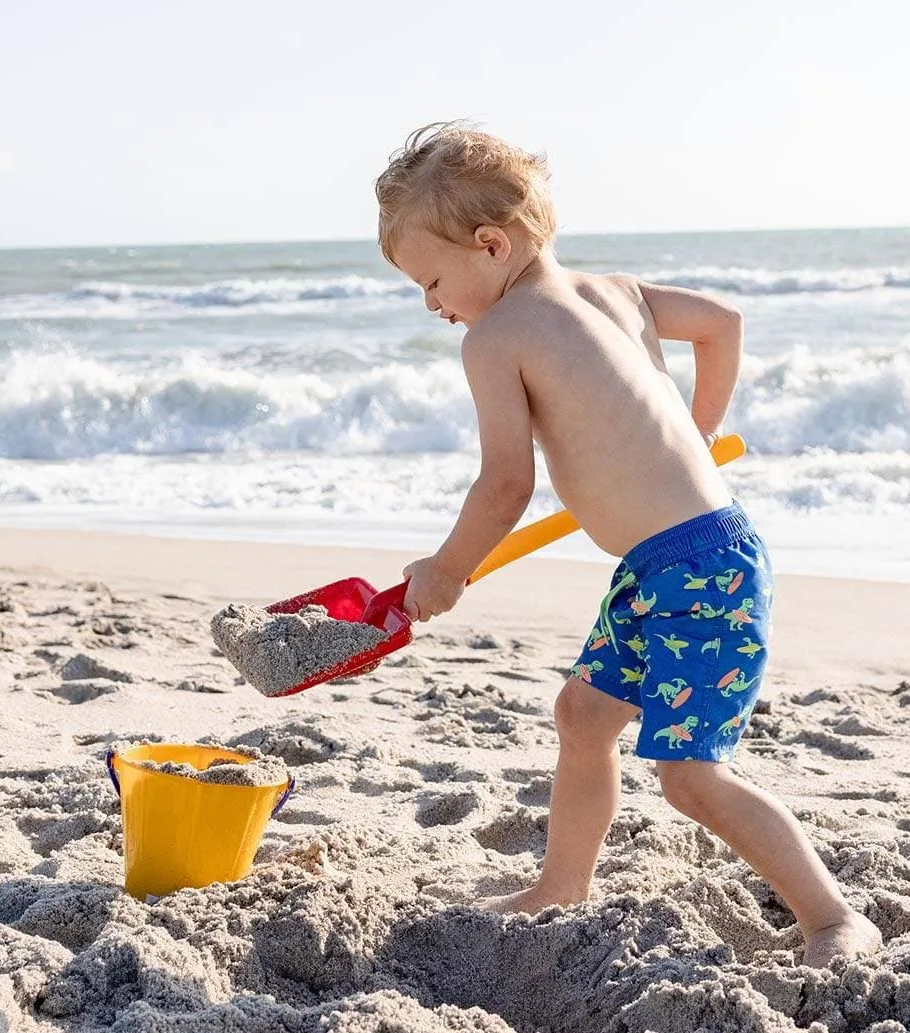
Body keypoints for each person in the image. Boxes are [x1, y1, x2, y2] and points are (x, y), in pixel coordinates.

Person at [374, 122, 882, 968]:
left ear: (491, 246)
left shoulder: (495, 338)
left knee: (690, 777)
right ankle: (561, 885)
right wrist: (699, 425)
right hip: (676, 559)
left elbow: (506, 484)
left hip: (697, 570)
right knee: (584, 714)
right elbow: (723, 323)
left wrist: (448, 570)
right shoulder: (615, 291)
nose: (433, 304)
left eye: (430, 281)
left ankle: (832, 918)